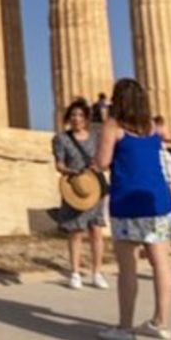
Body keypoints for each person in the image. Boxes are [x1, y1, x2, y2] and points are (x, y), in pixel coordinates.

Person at [95, 78, 171, 340]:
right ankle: (160, 323)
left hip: (128, 202)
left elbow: (103, 162)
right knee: (161, 264)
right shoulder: (153, 127)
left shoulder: (113, 126)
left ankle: (125, 328)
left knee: (128, 268)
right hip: (158, 201)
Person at [52, 97, 108, 289]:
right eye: (73, 115)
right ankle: (75, 272)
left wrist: (98, 165)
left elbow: (104, 159)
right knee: (75, 232)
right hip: (74, 188)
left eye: (80, 115)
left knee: (96, 231)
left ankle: (97, 272)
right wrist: (68, 171)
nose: (76, 118)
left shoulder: (96, 136)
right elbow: (59, 163)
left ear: (86, 118)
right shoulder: (61, 139)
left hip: (93, 188)